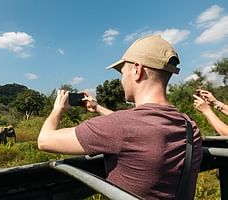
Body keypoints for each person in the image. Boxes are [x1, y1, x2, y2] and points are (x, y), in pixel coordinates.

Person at [38, 35, 202, 199]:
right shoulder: (190, 126)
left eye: (123, 73)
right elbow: (135, 126)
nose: (122, 81)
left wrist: (57, 109)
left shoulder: (119, 127)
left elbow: (44, 141)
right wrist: (98, 108)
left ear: (137, 70)